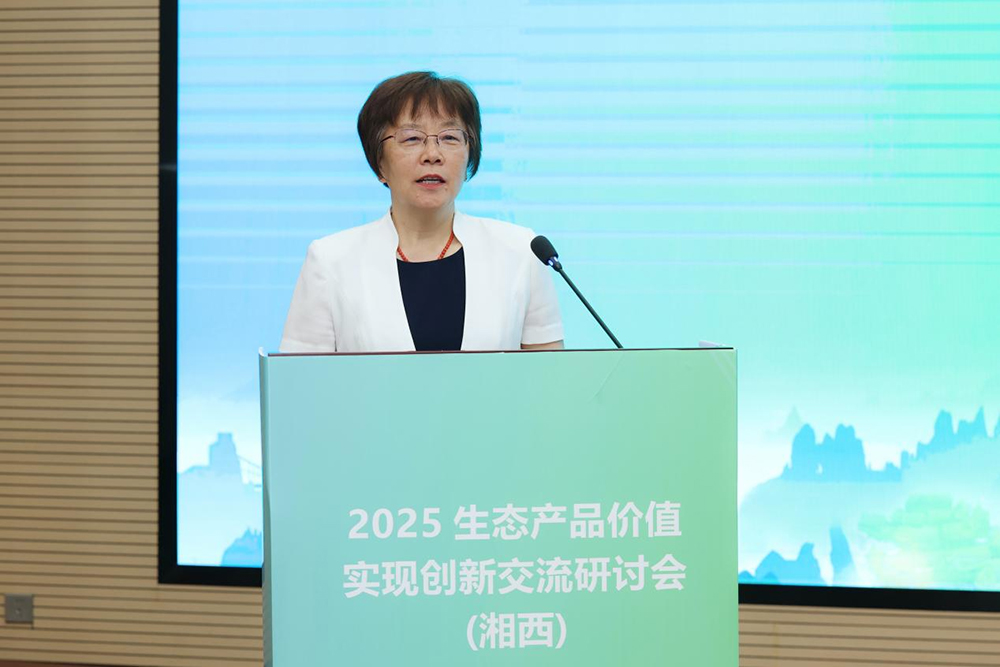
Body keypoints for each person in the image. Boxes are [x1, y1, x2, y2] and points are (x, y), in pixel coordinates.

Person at [280, 71, 564, 353]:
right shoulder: (330, 261)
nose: (432, 154)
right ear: (379, 163)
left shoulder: (522, 252)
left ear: (470, 155)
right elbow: (301, 379)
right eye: (412, 138)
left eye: (450, 137)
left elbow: (550, 375)